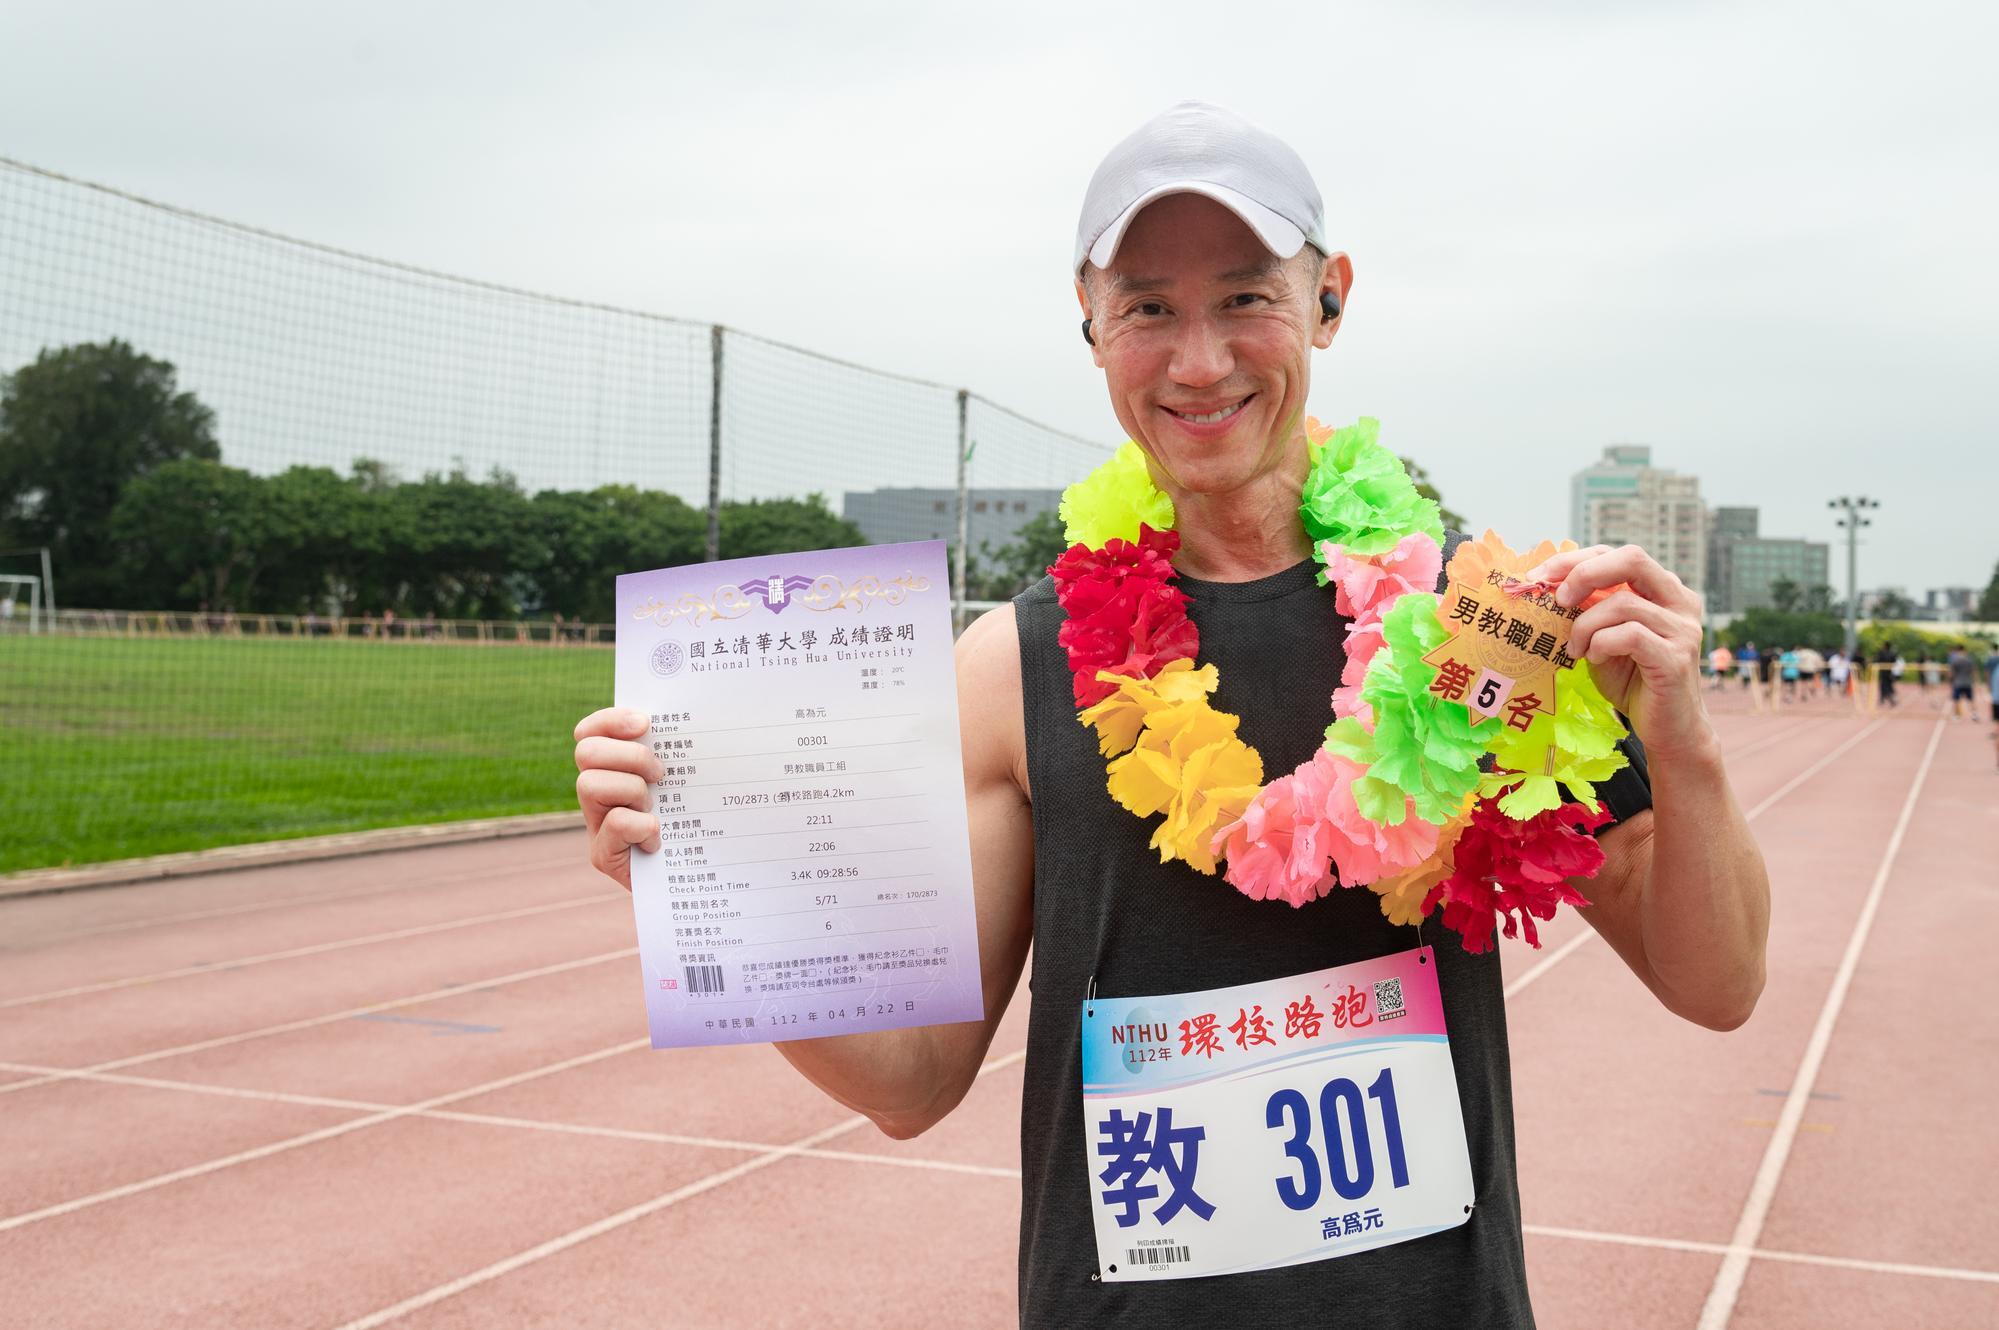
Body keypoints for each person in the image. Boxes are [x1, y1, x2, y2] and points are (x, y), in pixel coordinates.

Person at [572, 101, 1770, 1328]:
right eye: (1146, 307)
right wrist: (716, 890)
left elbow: (1718, 983)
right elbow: (914, 1082)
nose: (1199, 361)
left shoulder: (1482, 627)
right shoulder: (1008, 667)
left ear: (1331, 299)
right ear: (1089, 325)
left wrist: (1686, 747)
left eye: (1247, 296)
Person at [1947, 643, 1976, 721]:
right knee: (1970, 699)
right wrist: (1974, 681)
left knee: (1956, 699)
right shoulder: (1969, 659)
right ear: (1964, 650)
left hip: (1958, 683)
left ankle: (1957, 716)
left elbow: (1951, 673)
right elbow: (1973, 671)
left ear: (1957, 651)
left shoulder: (1954, 660)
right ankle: (1974, 714)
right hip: (1968, 682)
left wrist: (1950, 682)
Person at [1875, 641, 1899, 708]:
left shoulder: (1882, 653)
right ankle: (1882, 699)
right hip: (1889, 673)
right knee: (1886, 688)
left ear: (1885, 646)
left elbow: (1877, 660)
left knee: (1885, 688)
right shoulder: (1891, 654)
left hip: (1884, 674)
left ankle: (1891, 701)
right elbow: (1895, 661)